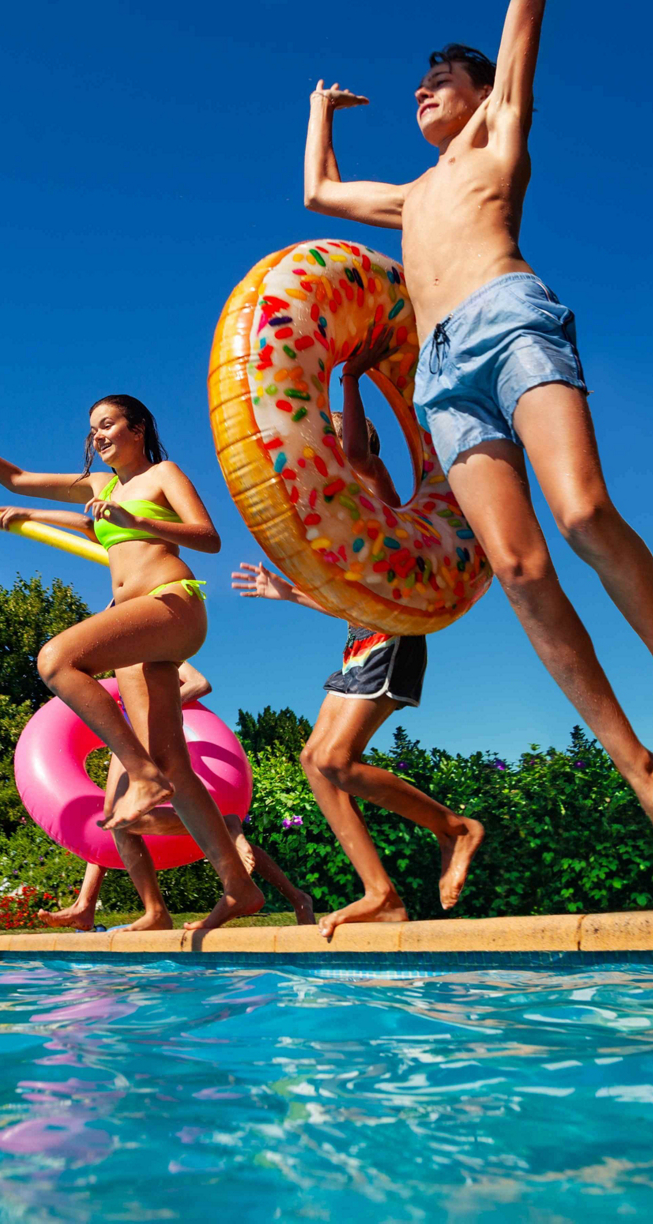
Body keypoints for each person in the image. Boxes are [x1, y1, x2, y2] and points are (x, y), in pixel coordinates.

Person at [300, 0, 653, 872]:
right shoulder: (408, 195)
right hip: (443, 377)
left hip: (509, 316)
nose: (427, 90)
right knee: (522, 573)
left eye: (444, 79)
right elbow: (313, 191)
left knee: (580, 514)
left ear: (483, 95)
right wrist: (318, 109)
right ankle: (637, 770)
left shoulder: (499, 133)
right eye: (422, 85)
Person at [0, 387, 265, 933]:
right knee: (177, 767)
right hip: (137, 626)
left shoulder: (163, 475)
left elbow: (208, 538)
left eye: (107, 424)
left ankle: (141, 776)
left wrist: (132, 517)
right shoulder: (100, 488)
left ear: (137, 428)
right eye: (92, 428)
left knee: (55, 660)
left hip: (171, 604)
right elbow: (17, 479)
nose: (96, 435)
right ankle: (238, 889)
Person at [232, 353, 485, 937]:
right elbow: (348, 605)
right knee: (314, 762)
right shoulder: (344, 525)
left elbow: (361, 451)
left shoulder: (371, 485)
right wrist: (287, 593)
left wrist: (348, 378)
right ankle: (382, 894)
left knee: (337, 761)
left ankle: (455, 828)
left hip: (394, 638)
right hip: (358, 643)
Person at [40, 663, 316, 931]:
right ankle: (90, 906)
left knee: (125, 819)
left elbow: (200, 683)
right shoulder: (121, 654)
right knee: (115, 818)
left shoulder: (150, 641)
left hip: (148, 727)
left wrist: (155, 708)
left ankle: (153, 907)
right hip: (126, 732)